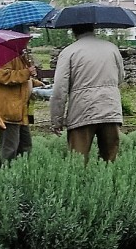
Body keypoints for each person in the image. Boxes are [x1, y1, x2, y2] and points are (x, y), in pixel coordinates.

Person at [50, 23, 125, 162]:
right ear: (93, 28)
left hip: (82, 111)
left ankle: (81, 184)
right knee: (110, 160)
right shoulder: (112, 49)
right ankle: (110, 184)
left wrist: (56, 120)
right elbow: (120, 78)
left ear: (73, 31)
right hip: (110, 108)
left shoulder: (69, 52)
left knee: (78, 161)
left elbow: (60, 90)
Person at [0, 54, 43, 161]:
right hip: (9, 110)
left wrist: (34, 82)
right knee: (10, 149)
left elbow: (20, 78)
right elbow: (1, 75)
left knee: (25, 146)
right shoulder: (6, 57)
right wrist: (26, 73)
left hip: (20, 110)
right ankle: (8, 174)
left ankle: (23, 172)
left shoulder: (20, 55)